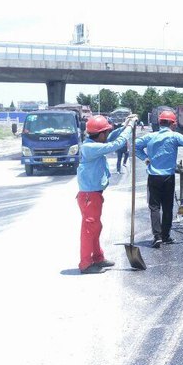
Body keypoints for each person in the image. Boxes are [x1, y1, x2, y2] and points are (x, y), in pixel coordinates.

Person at [135, 110, 183, 248]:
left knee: (154, 207)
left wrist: (145, 158)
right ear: (172, 123)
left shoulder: (150, 137)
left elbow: (134, 145)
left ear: (160, 122)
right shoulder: (175, 136)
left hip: (153, 177)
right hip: (168, 177)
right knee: (167, 207)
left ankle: (157, 237)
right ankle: (166, 236)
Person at [76, 114, 137, 274]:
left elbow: (112, 138)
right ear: (101, 134)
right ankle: (85, 264)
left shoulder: (93, 144)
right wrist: (130, 128)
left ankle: (97, 257)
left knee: (95, 228)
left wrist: (124, 126)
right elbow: (116, 143)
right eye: (106, 132)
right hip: (90, 196)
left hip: (93, 195)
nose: (107, 135)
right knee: (89, 230)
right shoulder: (90, 148)